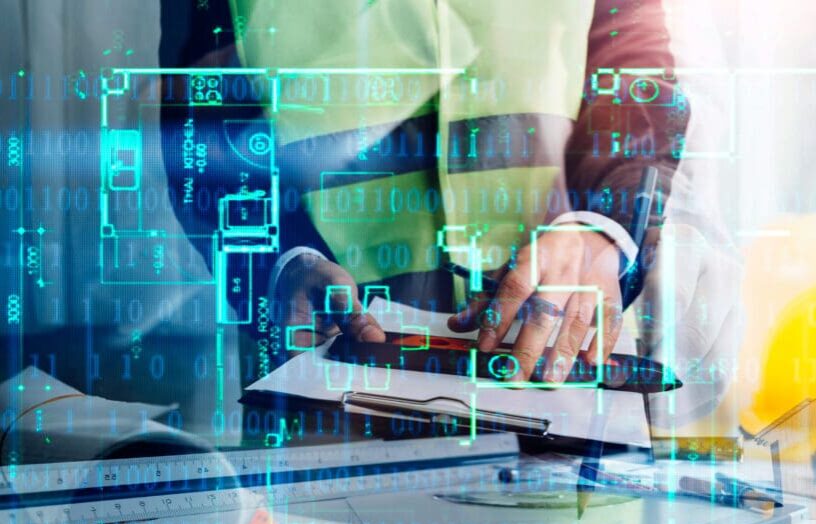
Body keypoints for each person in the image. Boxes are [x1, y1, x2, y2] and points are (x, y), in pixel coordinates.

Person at [161, 0, 736, 425]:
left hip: (558, 368)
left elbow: (634, 77)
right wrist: (281, 263)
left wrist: (604, 230)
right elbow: (200, 125)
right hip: (326, 375)